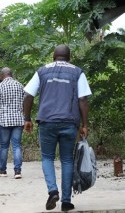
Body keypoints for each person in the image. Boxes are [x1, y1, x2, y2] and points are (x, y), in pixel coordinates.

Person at [23, 44, 91, 212]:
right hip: (69, 123)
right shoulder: (77, 72)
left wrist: (27, 119)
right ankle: (66, 201)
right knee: (67, 160)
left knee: (47, 158)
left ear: (54, 56)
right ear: (69, 57)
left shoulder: (42, 71)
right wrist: (85, 124)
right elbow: (82, 100)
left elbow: (28, 95)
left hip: (47, 122)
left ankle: (53, 191)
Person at [0, 67, 25, 179]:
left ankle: (2, 170)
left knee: (4, 146)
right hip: (18, 120)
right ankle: (17, 171)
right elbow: (25, 103)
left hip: (4, 121)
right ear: (12, 74)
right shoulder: (20, 86)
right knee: (16, 146)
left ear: (2, 76)